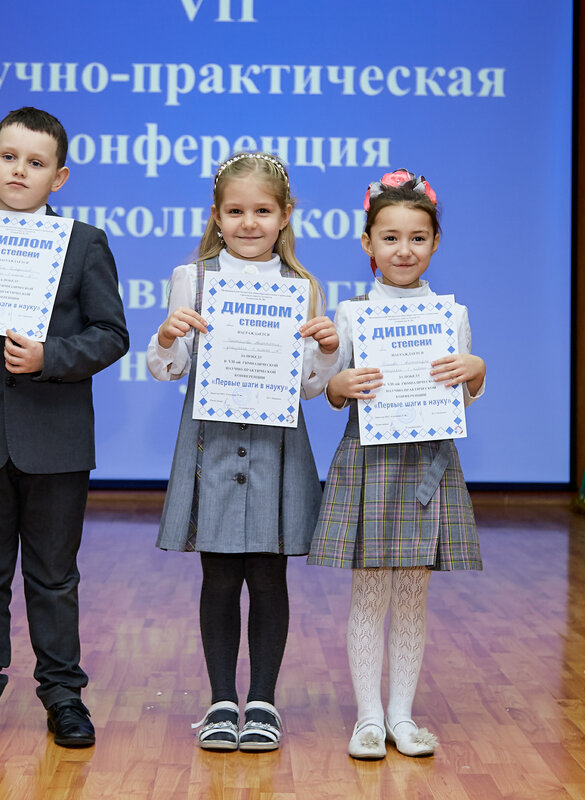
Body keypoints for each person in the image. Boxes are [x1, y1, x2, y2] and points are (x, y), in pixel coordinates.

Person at [0, 106, 129, 748]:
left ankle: (63, 696)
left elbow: (112, 334)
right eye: (9, 158)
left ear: (58, 178)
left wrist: (50, 357)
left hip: (56, 439)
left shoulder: (85, 243)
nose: (20, 171)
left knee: (54, 577)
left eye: (36, 163)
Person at [148, 152, 339, 752]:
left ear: (285, 216)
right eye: (235, 211)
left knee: (269, 574)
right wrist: (166, 337)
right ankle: (220, 702)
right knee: (220, 573)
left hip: (276, 446)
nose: (249, 223)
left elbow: (309, 386)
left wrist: (326, 350)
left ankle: (262, 703)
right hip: (212, 441)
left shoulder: (303, 287)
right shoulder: (192, 278)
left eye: (262, 211)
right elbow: (168, 368)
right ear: (216, 215)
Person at [307, 169, 486, 760]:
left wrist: (476, 373)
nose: (403, 250)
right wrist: (339, 387)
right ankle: (367, 718)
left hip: (428, 466)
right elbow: (331, 388)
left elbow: (458, 397)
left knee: (412, 596)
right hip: (370, 465)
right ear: (368, 242)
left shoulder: (451, 314)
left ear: (435, 243)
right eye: (389, 237)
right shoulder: (352, 314)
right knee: (369, 595)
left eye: (417, 238)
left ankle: (402, 717)